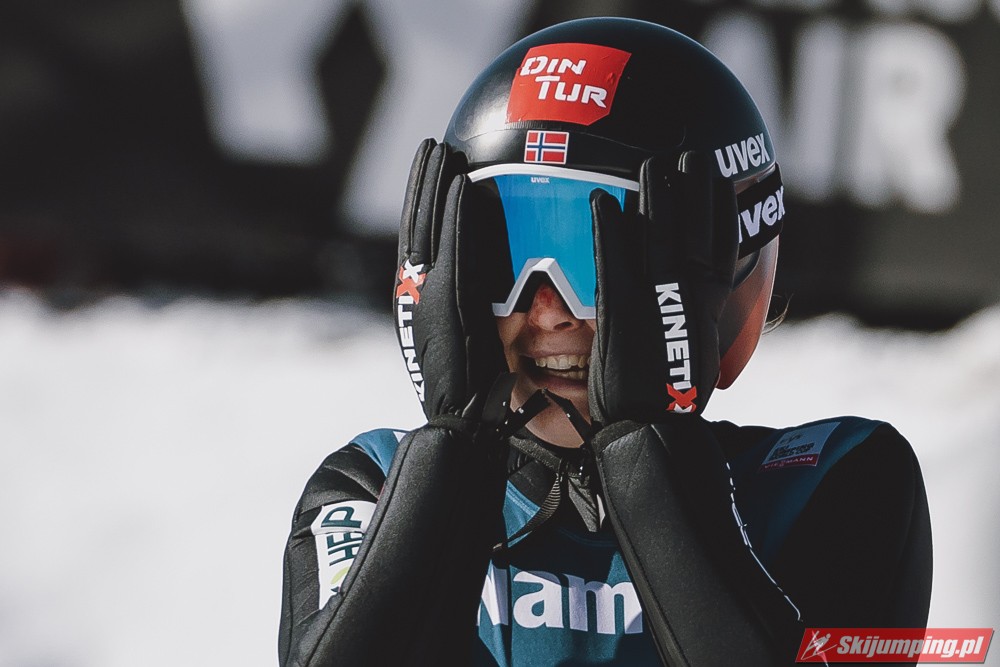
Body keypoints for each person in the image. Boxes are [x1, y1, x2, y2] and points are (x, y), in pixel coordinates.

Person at [278, 17, 932, 666]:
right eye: (506, 253)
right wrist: (450, 453)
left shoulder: (836, 483)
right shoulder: (369, 485)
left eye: (594, 259)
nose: (547, 311)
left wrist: (647, 441)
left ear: (717, 277)